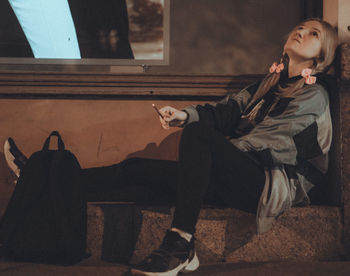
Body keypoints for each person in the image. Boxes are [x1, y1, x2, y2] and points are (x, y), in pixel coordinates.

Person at [3, 18, 338, 276]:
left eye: (314, 34)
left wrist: (210, 149)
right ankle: (41, 178)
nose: (302, 32)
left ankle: (181, 243)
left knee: (200, 136)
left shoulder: (313, 97)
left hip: (270, 185)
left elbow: (269, 143)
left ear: (322, 56)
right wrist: (183, 116)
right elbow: (227, 110)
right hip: (237, 173)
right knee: (137, 170)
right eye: (300, 27)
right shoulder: (266, 84)